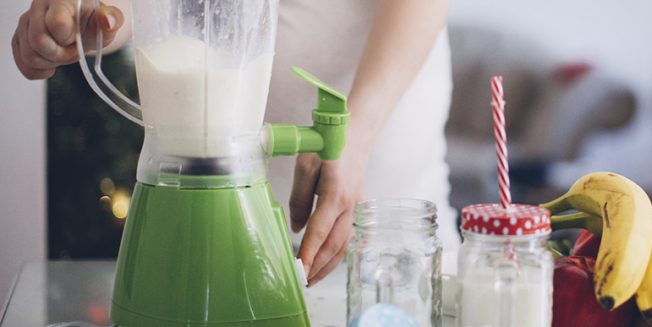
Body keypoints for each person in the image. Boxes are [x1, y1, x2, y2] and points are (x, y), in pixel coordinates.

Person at [11, 0, 457, 286]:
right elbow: (144, 9)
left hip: (395, 240)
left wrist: (354, 134)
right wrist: (87, 18)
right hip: (233, 251)